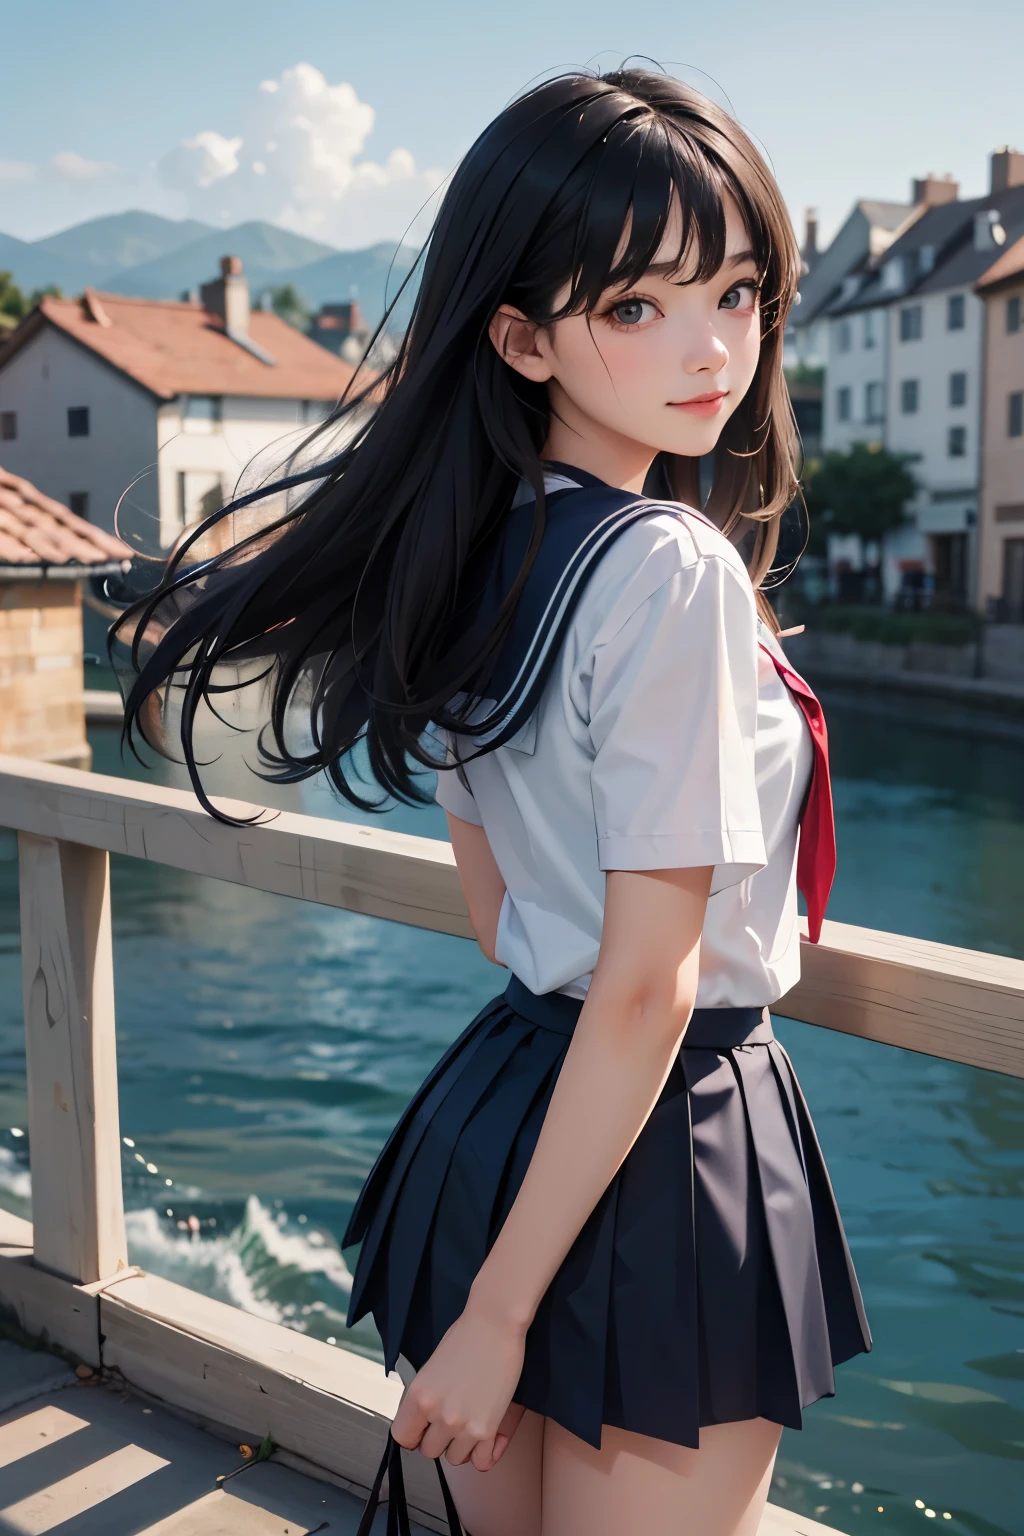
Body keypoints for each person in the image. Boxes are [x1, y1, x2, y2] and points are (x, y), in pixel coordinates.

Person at [116, 67, 870, 1536]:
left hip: (503, 1109)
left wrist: (496, 1288)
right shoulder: (670, 568)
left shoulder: (468, 559)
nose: (713, 347)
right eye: (637, 306)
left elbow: (501, 912)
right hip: (665, 1136)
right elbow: (649, 991)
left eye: (737, 290)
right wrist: (501, 1317)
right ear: (519, 336)